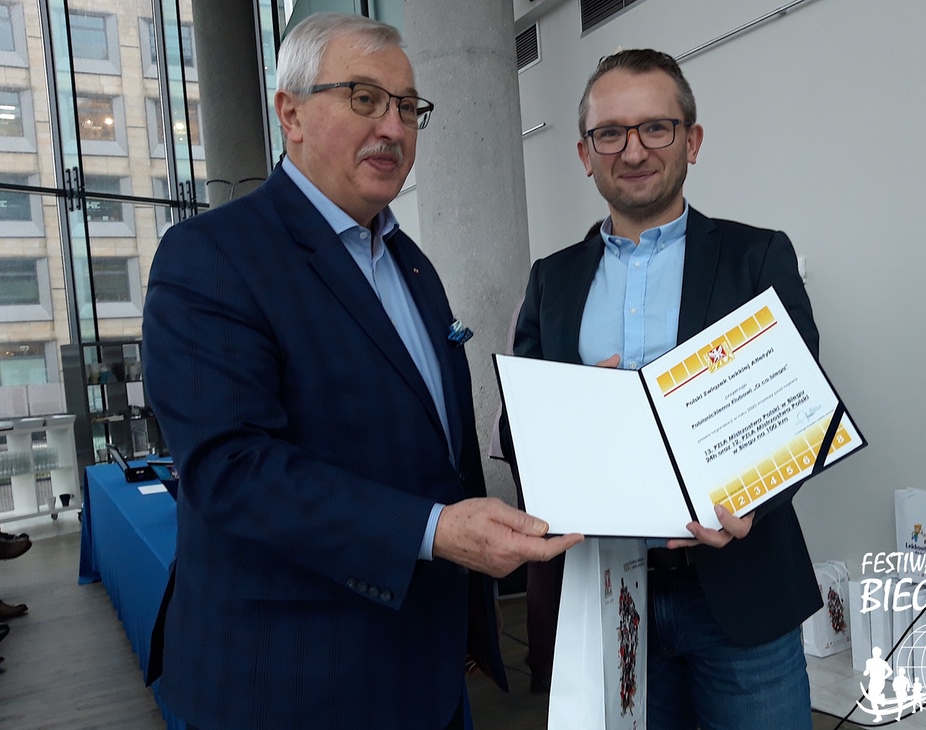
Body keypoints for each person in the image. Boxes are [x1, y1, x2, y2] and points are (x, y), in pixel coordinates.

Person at [141, 13, 580, 729]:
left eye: (407, 107)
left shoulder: (412, 264)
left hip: (426, 667)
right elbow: (231, 469)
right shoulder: (212, 256)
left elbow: (427, 445)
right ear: (291, 114)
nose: (393, 128)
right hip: (293, 682)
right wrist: (434, 530)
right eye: (365, 98)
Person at [501, 49, 822, 728]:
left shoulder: (756, 256)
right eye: (609, 133)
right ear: (585, 154)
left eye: (656, 127)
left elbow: (799, 410)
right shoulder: (551, 280)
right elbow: (517, 429)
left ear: (692, 141)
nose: (633, 150)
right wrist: (567, 414)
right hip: (608, 593)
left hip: (742, 589)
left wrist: (755, 502)